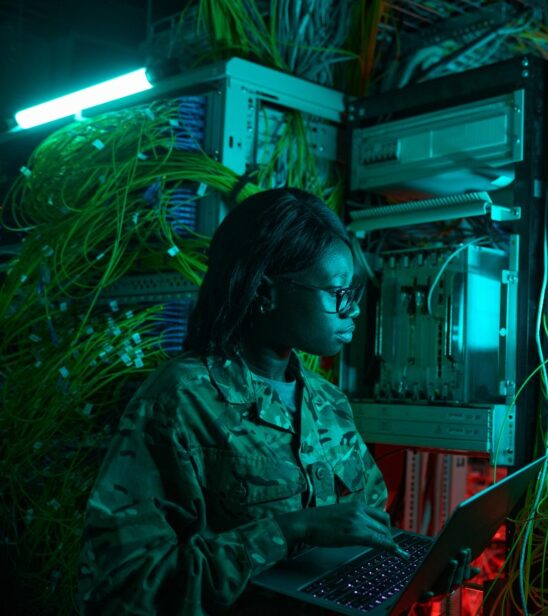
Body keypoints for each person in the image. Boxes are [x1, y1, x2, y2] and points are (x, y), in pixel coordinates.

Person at [77, 188, 466, 614]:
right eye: (339, 294)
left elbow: (362, 536)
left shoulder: (328, 403)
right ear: (267, 292)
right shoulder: (181, 401)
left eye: (353, 294)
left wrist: (415, 572)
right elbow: (122, 587)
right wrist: (289, 529)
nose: (353, 311)